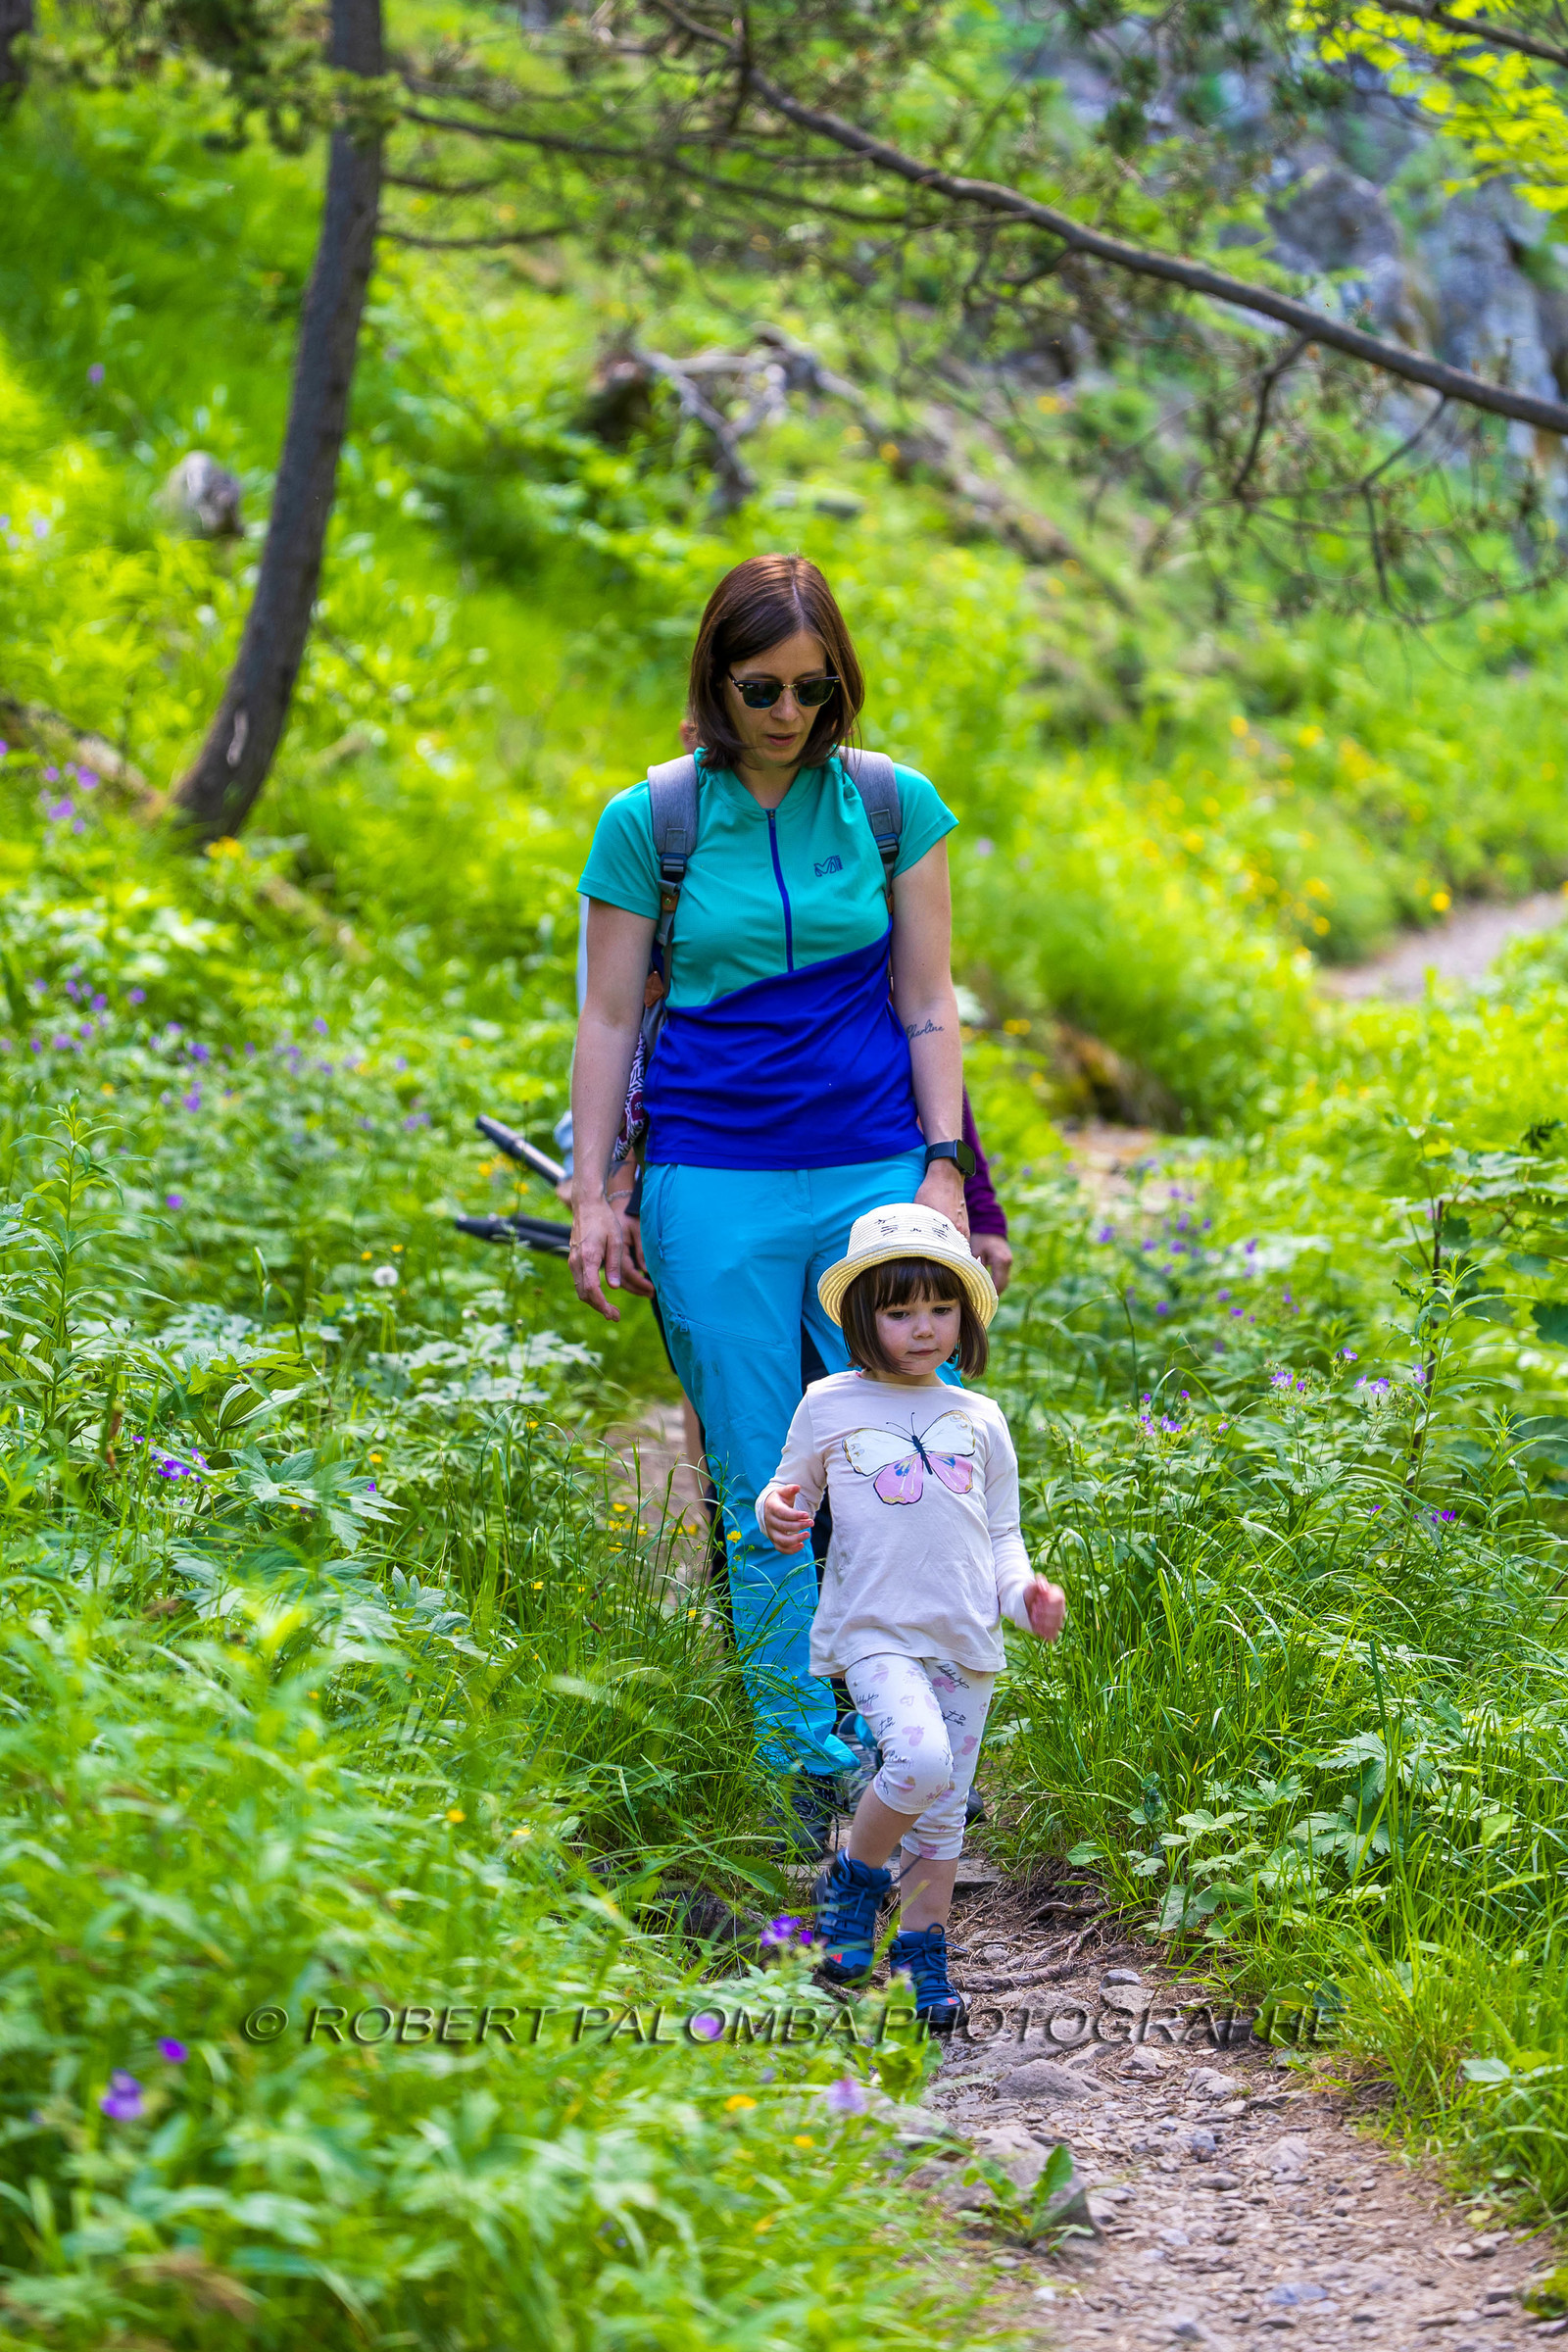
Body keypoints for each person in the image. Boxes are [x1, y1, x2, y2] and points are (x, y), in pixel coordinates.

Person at [570, 554, 973, 1850]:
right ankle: (812, 1768)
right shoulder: (653, 822)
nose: (788, 712)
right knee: (768, 1481)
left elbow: (926, 1001)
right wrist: (595, 1192)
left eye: (813, 687)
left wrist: (945, 1168)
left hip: (868, 1170)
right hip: (716, 1180)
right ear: (717, 679)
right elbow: (610, 1014)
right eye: (762, 687)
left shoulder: (895, 808)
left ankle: (904, 1725)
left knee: (900, 1466)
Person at [758, 1203, 1065, 2024]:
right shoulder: (829, 1403)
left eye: (939, 1309)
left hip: (967, 1639)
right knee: (920, 1761)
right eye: (899, 1312)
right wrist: (776, 1512)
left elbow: (1001, 1535)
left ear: (965, 1315)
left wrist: (1025, 1596)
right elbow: (789, 1490)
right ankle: (855, 1883)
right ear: (864, 1316)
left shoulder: (979, 1418)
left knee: (942, 1818)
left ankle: (923, 1950)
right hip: (876, 1630)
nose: (923, 1329)